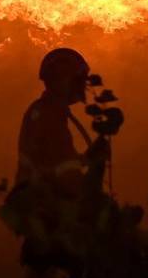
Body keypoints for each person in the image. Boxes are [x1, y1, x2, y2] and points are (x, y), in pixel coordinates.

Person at [15, 47, 91, 187]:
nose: (81, 88)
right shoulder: (49, 115)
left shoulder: (48, 110)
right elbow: (64, 173)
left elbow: (58, 159)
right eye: (77, 81)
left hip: (38, 197)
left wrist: (87, 159)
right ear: (63, 81)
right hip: (43, 201)